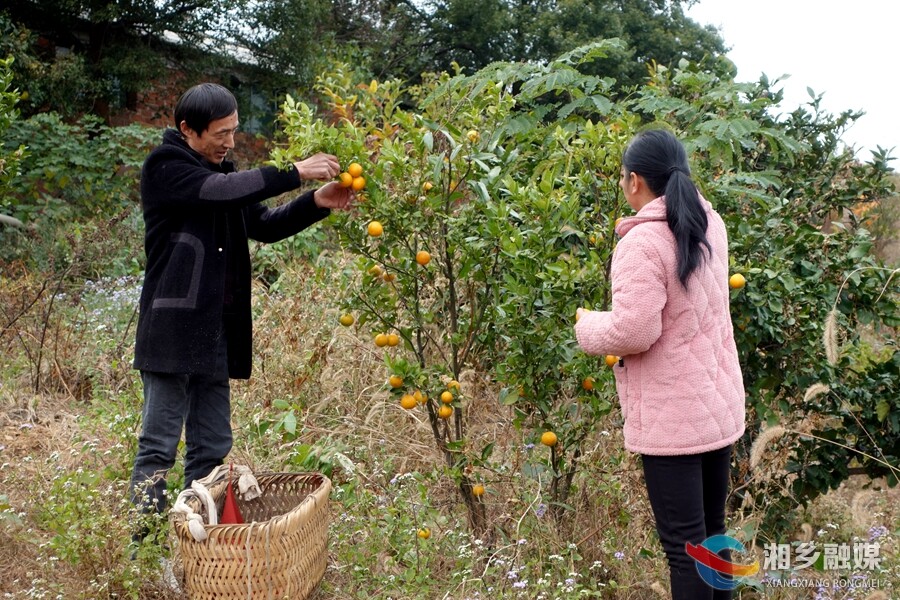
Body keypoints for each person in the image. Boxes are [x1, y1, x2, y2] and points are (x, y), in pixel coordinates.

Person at [128, 82, 354, 529]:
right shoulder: (166, 166)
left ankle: (202, 545)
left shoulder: (223, 174)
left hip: (215, 331)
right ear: (187, 129)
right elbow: (218, 190)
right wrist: (294, 172)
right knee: (159, 447)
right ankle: (143, 547)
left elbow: (264, 224)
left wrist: (316, 202)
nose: (230, 142)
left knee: (212, 449)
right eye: (220, 134)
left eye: (234, 131)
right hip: (173, 330)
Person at [574, 129, 745, 599]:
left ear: (633, 181)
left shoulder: (642, 242)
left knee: (684, 546)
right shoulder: (711, 224)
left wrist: (586, 326)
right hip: (716, 406)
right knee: (712, 535)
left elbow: (635, 331)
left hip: (674, 419)